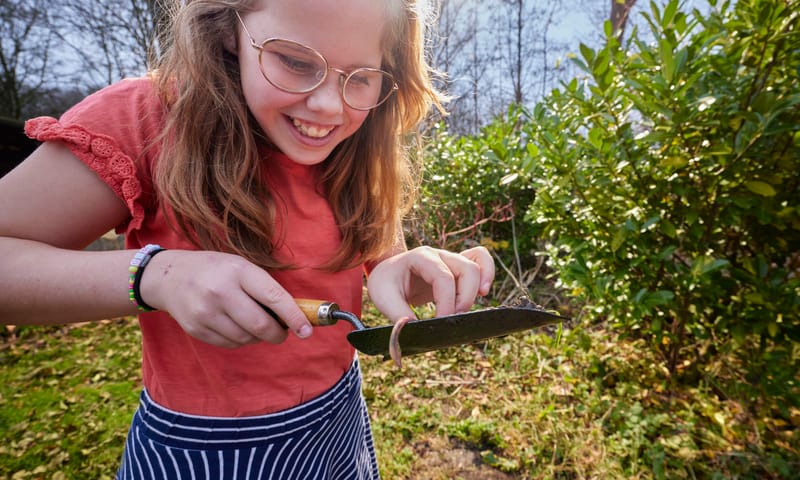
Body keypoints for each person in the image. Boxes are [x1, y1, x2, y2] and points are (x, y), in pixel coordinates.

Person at [0, 0, 494, 478]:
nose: (328, 105)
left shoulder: (358, 139)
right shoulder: (147, 120)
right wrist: (156, 276)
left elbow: (378, 249)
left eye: (360, 77)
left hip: (338, 421)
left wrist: (399, 269)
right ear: (225, 27)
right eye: (296, 62)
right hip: (200, 448)